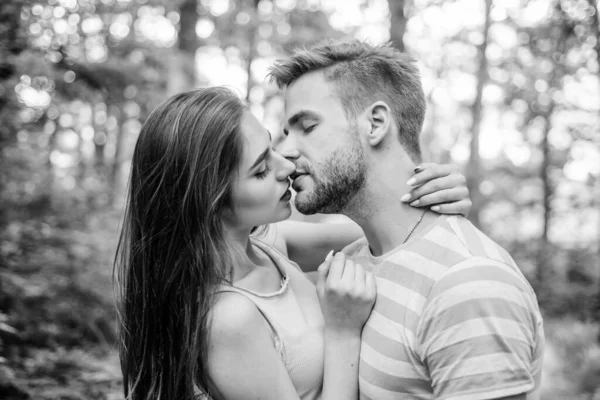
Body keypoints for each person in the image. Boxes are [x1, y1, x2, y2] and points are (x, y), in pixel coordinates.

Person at [114, 87, 472, 400]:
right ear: (210, 201)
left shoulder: (268, 245)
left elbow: (382, 229)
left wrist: (431, 190)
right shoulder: (230, 318)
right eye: (259, 170)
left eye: (270, 148)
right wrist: (343, 329)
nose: (284, 165)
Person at [270, 40, 545, 400]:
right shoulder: (352, 263)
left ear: (376, 123)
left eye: (306, 127)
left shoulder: (470, 284)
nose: (285, 152)